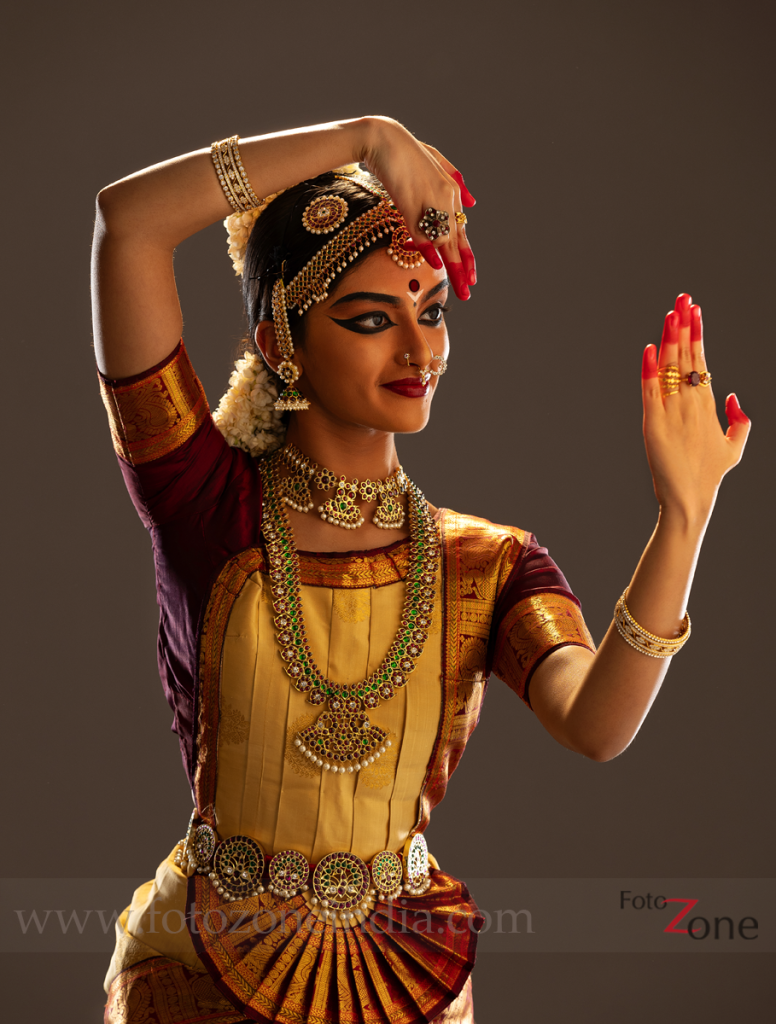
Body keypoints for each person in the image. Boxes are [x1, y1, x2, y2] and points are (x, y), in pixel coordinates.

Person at [92, 116, 750, 1024]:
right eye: (371, 319)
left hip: (410, 981)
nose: (419, 350)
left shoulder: (486, 563)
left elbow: (597, 724)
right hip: (200, 976)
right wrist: (362, 136)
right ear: (281, 338)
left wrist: (684, 518)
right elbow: (128, 224)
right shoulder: (205, 504)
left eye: (432, 310)